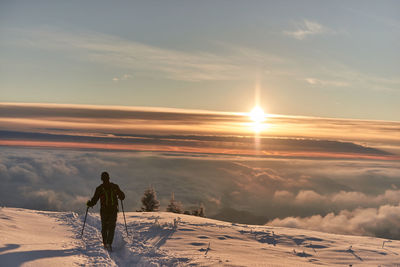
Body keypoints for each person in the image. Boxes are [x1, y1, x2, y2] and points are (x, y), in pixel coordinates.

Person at [87, 171, 125, 251]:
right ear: (109, 178)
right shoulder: (114, 186)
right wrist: (120, 196)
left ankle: (105, 243)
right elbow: (122, 196)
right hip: (113, 210)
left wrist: (89, 204)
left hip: (104, 210)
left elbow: (95, 200)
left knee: (104, 227)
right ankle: (109, 243)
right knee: (111, 227)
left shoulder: (99, 188)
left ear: (101, 179)